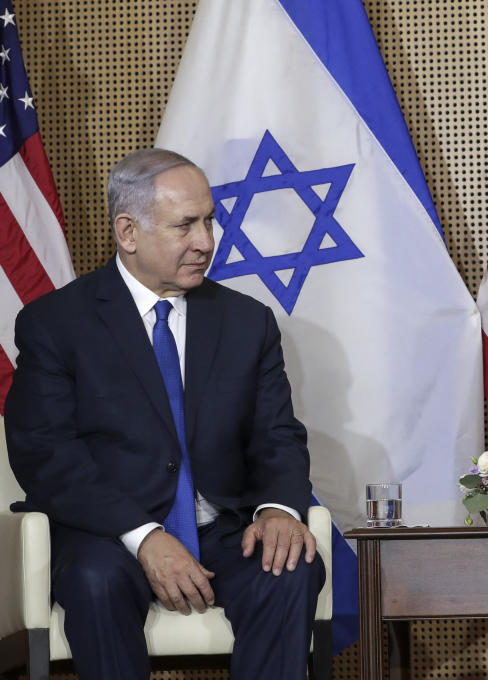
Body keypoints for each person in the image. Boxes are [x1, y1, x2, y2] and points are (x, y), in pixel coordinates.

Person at [4, 148, 324, 680]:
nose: (206, 242)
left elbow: (277, 435)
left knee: (288, 569)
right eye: (186, 226)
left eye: (209, 221)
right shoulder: (56, 324)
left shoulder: (247, 322)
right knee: (95, 581)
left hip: (223, 529)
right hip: (108, 536)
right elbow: (46, 454)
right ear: (128, 232)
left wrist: (277, 510)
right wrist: (145, 535)